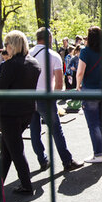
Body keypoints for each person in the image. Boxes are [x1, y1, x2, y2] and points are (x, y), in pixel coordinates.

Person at [29, 27, 83, 174]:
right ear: (50, 39)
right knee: (56, 130)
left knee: (35, 130)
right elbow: (59, 83)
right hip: (46, 98)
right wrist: (56, 99)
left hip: (29, 97)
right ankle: (67, 161)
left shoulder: (28, 54)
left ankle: (42, 160)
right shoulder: (53, 56)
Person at [0, 30, 41, 194]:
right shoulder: (34, 63)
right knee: (7, 149)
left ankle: (26, 185)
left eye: (6, 44)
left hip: (10, 113)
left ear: (12, 45)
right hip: (27, 111)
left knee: (14, 150)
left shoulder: (10, 65)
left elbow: (1, 90)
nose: (5, 47)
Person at [77, 26, 102, 164]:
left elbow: (80, 72)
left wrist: (77, 85)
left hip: (90, 91)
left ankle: (98, 154)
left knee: (93, 124)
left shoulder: (85, 52)